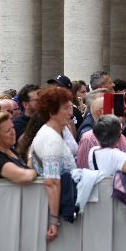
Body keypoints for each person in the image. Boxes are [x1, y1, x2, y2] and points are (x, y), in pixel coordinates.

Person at [23, 86, 76, 241]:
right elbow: (52, 182)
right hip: (57, 210)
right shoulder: (51, 139)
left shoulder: (50, 134)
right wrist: (53, 221)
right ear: (52, 112)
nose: (70, 113)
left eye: (70, 107)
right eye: (66, 108)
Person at [75, 94, 126, 169]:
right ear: (101, 112)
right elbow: (83, 169)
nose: (120, 111)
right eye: (113, 108)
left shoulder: (118, 133)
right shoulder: (88, 139)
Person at [0, 111, 37, 183]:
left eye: (12, 127)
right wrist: (35, 172)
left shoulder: (9, 150)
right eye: (8, 131)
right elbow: (23, 176)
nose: (13, 132)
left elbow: (24, 168)